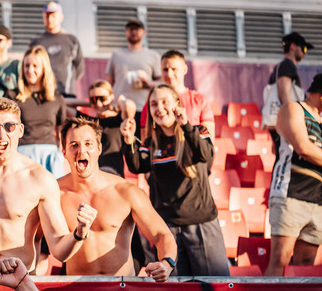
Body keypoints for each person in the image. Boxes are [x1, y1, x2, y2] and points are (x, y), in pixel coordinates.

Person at [0, 97, 78, 274]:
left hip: (20, 279)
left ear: (20, 130)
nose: (1, 135)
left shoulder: (40, 179)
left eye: (9, 127)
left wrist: (79, 234)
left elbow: (59, 250)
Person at [121, 85, 231, 276]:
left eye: (165, 102)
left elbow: (206, 154)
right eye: (154, 104)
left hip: (201, 223)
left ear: (177, 104)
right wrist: (129, 140)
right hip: (168, 228)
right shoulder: (151, 142)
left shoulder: (197, 130)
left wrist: (186, 125)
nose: (159, 108)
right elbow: (137, 166)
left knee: (215, 288)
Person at [57, 118, 176, 280]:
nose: (81, 151)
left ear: (99, 148)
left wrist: (167, 263)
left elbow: (162, 235)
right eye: (74, 145)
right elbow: (34, 241)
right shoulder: (55, 194)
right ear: (63, 151)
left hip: (121, 290)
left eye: (88, 144)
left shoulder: (126, 191)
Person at [264, 73, 322, 276]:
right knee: (280, 259)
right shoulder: (293, 109)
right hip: (290, 194)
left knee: (306, 265)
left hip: (317, 203)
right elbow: (302, 147)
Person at [15, 46, 66, 176]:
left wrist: (59, 153)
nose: (30, 70)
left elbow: (61, 130)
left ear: (44, 68)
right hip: (22, 154)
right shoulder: (12, 96)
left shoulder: (56, 98)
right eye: (27, 66)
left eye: (35, 66)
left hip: (50, 156)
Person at [28, 1, 83, 100]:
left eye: (53, 15)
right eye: (47, 16)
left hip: (66, 92)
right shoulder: (36, 41)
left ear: (61, 17)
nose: (50, 19)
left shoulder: (71, 40)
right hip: (42, 93)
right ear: (43, 18)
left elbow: (79, 68)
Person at [263, 32, 311, 142]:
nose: (305, 53)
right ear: (293, 46)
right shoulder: (287, 65)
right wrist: (293, 119)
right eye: (303, 48)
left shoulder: (283, 66)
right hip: (286, 122)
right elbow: (284, 92)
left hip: (282, 121)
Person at [106, 19, 161, 113]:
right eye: (130, 29)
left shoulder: (153, 56)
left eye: (137, 29)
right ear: (126, 32)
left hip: (143, 107)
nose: (133, 32)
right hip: (118, 108)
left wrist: (149, 83)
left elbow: (162, 83)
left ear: (144, 32)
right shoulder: (116, 54)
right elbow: (109, 82)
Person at [159, 50, 216, 138]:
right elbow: (147, 140)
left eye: (174, 69)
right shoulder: (154, 103)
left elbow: (209, 142)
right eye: (165, 70)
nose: (169, 74)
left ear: (184, 69)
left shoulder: (200, 100)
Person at [82, 80, 130, 177]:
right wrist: (89, 104)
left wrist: (119, 100)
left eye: (102, 98)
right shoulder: (90, 122)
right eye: (94, 100)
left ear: (111, 97)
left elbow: (129, 106)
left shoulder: (120, 119)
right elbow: (64, 104)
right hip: (93, 177)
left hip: (114, 175)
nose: (99, 104)